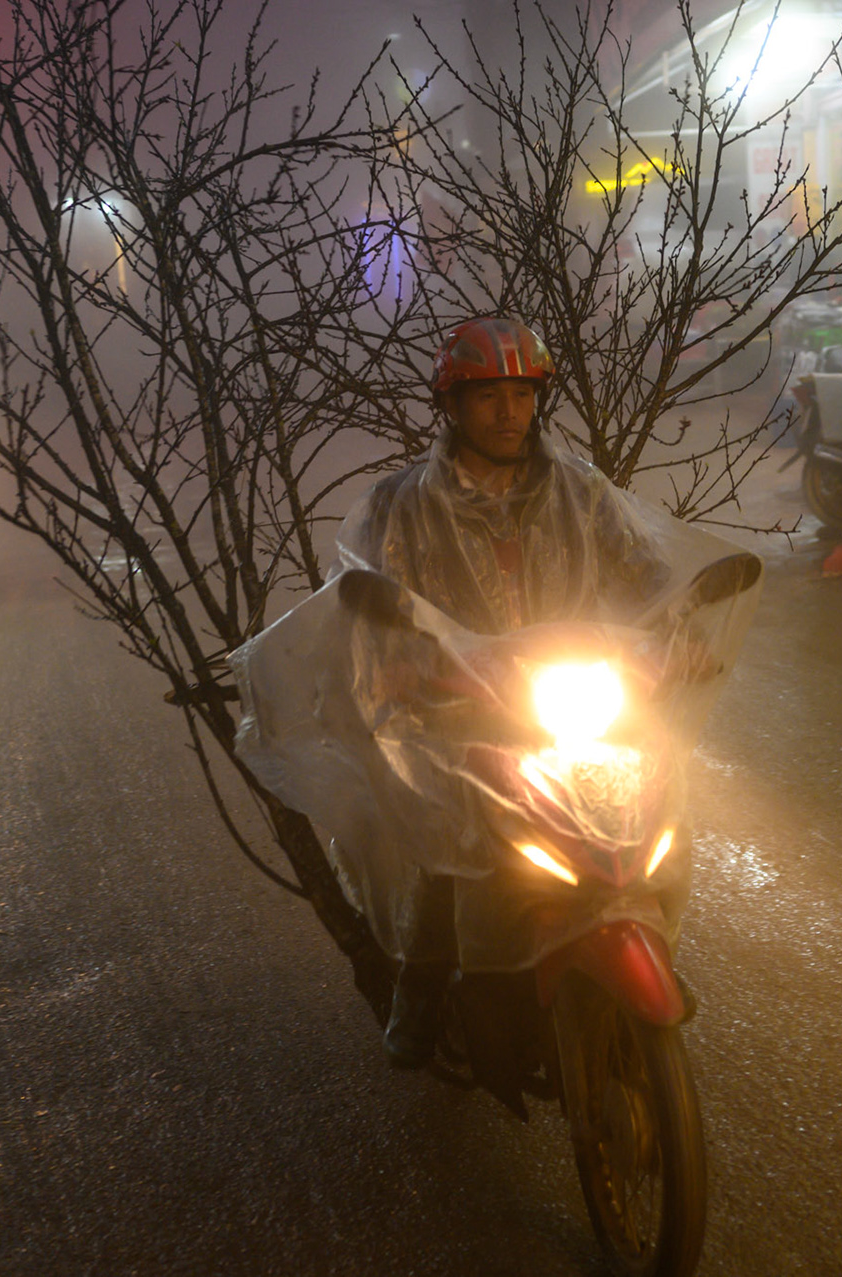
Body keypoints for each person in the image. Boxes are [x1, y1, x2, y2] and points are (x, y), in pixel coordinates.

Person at [337, 315, 670, 1066]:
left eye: (521, 393)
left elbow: (648, 577)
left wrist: (677, 637)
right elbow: (371, 606)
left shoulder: (579, 491)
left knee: (648, 817)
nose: (509, 412)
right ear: (452, 406)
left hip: (571, 701)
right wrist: (399, 667)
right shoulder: (403, 506)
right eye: (489, 396)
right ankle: (418, 998)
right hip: (456, 717)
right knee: (445, 850)